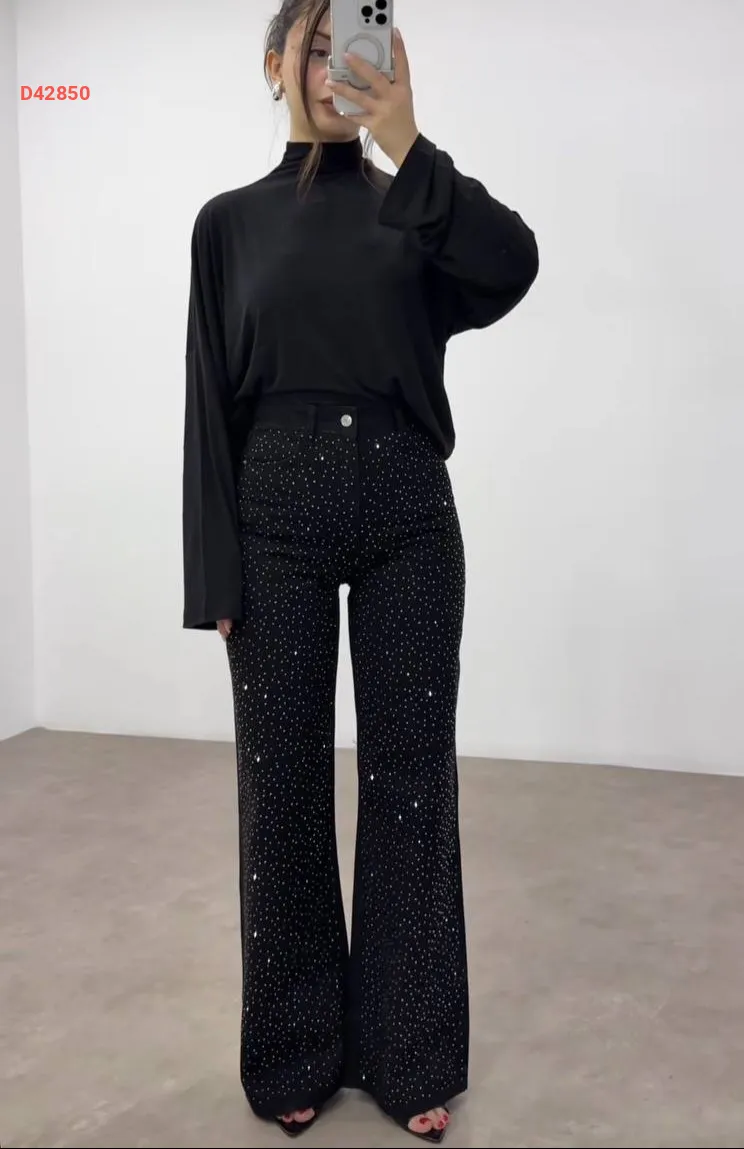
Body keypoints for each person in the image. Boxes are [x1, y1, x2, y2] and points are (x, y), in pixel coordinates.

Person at [181, 0, 538, 1140]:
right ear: (274, 64)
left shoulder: (415, 207)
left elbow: (514, 265)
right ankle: (294, 1046)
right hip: (274, 514)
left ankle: (407, 1050)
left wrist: (409, 140)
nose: (340, 67)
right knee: (280, 787)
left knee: (412, 781)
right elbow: (207, 404)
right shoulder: (228, 224)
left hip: (406, 511)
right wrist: (213, 576)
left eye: (360, 47)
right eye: (319, 46)